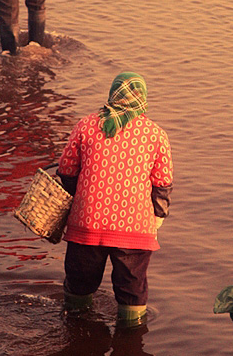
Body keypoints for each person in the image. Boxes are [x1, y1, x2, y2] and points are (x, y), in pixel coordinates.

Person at [56, 72, 174, 324]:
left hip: (87, 223)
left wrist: (78, 199)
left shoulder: (86, 125)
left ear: (113, 94)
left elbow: (66, 169)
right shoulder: (155, 134)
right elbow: (162, 182)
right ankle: (130, 343)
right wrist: (158, 216)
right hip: (134, 228)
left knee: (79, 284)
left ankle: (76, 335)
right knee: (132, 290)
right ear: (142, 97)